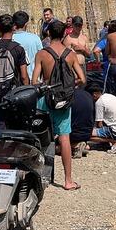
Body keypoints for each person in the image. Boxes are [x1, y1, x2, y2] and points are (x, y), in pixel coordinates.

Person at [34, 20, 85, 191]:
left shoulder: (42, 54)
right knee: (64, 138)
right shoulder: (70, 54)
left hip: (45, 98)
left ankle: (39, 176)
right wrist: (68, 85)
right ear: (64, 34)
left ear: (48, 33)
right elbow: (82, 79)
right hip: (63, 99)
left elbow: (34, 81)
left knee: (41, 135)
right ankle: (68, 180)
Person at [0, 14, 29, 131]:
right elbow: (24, 76)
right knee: (14, 122)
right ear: (14, 27)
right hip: (14, 92)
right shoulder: (19, 49)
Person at [85, 81, 116, 154]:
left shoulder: (99, 103)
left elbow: (99, 124)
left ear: (94, 95)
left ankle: (114, 141)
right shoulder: (108, 96)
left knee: (86, 134)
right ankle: (104, 144)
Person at [12, 11, 41, 80]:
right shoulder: (35, 38)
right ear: (26, 24)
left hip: (15, 80)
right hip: (33, 78)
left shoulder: (10, 39)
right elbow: (41, 56)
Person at [69, 86, 95, 158]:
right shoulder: (88, 95)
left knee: (55, 147)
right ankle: (84, 146)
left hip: (73, 134)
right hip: (87, 134)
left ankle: (75, 146)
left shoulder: (67, 95)